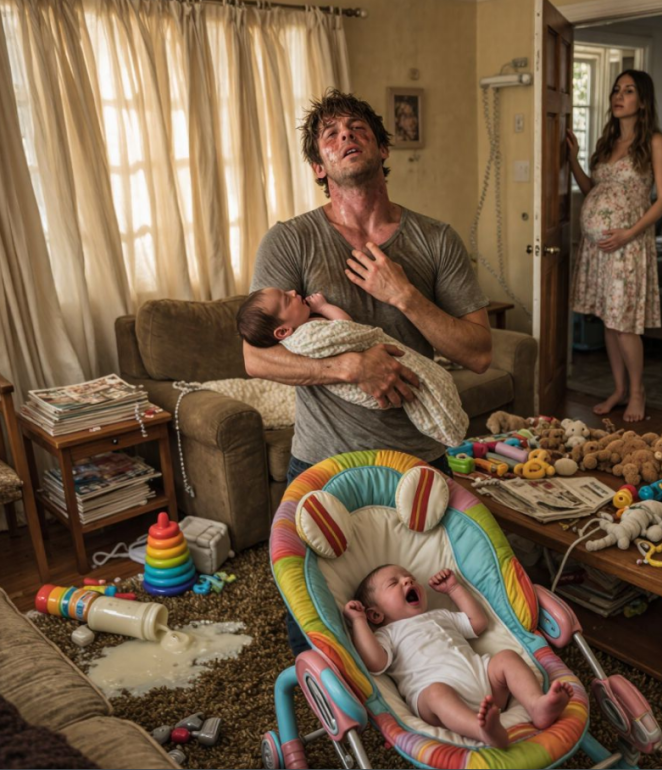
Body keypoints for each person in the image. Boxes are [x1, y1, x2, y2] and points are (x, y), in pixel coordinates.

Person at [244, 89, 491, 655]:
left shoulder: (435, 239)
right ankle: (338, 717)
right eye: (329, 135)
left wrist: (405, 297)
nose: (344, 137)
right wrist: (350, 366)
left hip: (419, 458)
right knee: (314, 621)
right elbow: (256, 356)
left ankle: (433, 701)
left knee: (430, 603)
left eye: (356, 128)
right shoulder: (290, 240)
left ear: (383, 148)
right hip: (323, 461)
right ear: (318, 166)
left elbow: (478, 351)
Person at [344, 565, 573, 747]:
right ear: (376, 614)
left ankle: (536, 705)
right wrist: (358, 622)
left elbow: (478, 623)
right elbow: (374, 662)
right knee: (436, 693)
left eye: (409, 577)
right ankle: (481, 730)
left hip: (484, 682)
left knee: (506, 657)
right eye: (394, 583)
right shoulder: (387, 633)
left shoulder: (441, 615)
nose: (408, 581)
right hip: (437, 697)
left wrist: (454, 589)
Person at [567, 70, 662, 423]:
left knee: (624, 323)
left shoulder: (655, 142)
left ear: (642, 100)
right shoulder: (607, 142)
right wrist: (574, 160)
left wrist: (628, 233)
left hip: (628, 247)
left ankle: (637, 392)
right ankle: (618, 389)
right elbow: (592, 188)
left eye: (628, 91)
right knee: (609, 322)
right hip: (598, 251)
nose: (619, 96)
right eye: (616, 90)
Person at [236, 287, 469, 445]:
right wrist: (324, 307)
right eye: (286, 299)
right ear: (283, 332)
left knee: (428, 379)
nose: (293, 291)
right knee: (422, 385)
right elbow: (346, 327)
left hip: (412, 446)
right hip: (335, 437)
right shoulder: (305, 336)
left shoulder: (303, 326)